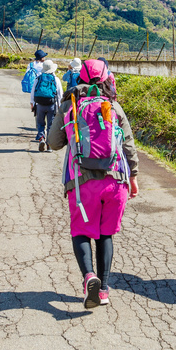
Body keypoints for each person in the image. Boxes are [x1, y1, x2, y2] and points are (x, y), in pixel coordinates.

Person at [47, 59, 139, 309]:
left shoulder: (70, 103)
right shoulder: (114, 106)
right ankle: (105, 290)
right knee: (105, 234)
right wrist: (133, 177)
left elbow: (54, 142)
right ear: (106, 78)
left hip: (81, 183)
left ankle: (89, 277)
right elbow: (129, 145)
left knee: (81, 233)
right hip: (115, 181)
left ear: (80, 78)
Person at [31, 60, 63, 151]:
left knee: (40, 123)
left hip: (40, 104)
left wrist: (32, 103)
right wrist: (60, 105)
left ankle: (41, 138)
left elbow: (33, 91)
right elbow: (60, 93)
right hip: (51, 105)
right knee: (51, 125)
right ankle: (49, 145)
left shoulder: (38, 78)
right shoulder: (55, 79)